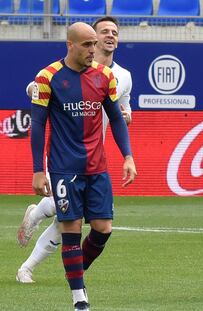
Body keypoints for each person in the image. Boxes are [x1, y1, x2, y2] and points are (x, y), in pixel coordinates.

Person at [16, 16, 132, 284]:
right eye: (104, 32)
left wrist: (127, 117)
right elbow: (36, 93)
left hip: (93, 156)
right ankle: (30, 266)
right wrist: (38, 90)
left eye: (115, 32)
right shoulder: (57, 74)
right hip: (62, 154)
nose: (109, 36)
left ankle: (37, 220)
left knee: (71, 218)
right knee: (68, 218)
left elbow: (122, 111)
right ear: (87, 39)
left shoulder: (121, 76)